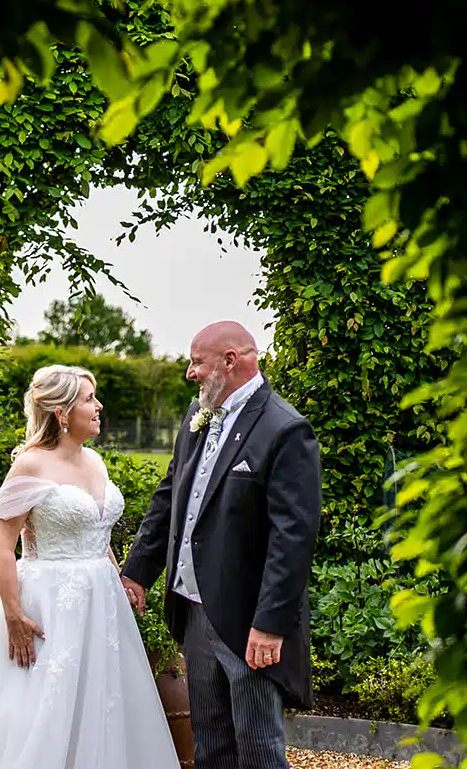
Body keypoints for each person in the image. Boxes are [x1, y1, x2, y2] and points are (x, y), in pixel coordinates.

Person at [0, 365, 180, 769]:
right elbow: (2, 547)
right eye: (89, 399)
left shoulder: (96, 461)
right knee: (45, 704)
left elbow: (98, 535)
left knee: (104, 701)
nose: (99, 406)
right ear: (62, 412)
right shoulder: (31, 465)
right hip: (49, 603)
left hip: (102, 600)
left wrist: (121, 581)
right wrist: (14, 615)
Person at [122, 322, 322, 769]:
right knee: (210, 744)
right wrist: (137, 571)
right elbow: (169, 498)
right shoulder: (197, 421)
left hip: (245, 619)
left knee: (257, 747)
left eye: (197, 362)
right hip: (194, 611)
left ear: (230, 361)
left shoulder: (285, 430)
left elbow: (293, 538)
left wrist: (270, 625)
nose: (190, 373)